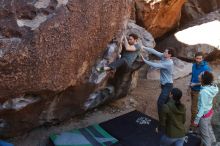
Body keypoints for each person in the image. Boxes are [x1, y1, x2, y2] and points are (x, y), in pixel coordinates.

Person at [141, 47, 174, 119]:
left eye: (166, 52)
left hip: (168, 85)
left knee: (160, 102)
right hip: (164, 84)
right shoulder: (164, 56)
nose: (164, 53)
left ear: (169, 55)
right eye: (164, 51)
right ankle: (171, 114)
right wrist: (143, 47)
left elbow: (155, 65)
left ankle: (162, 120)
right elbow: (154, 51)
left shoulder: (169, 63)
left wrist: (144, 60)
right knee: (167, 100)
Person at [191, 71, 219, 146]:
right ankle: (214, 142)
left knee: (205, 135)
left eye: (200, 75)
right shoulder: (212, 87)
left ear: (203, 80)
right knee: (209, 128)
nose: (199, 75)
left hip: (204, 115)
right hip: (209, 111)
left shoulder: (203, 92)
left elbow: (202, 108)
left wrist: (196, 121)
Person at [189, 52, 211, 127]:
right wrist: (190, 85)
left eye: (200, 58)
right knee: (196, 107)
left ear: (202, 59)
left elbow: (207, 81)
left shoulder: (205, 68)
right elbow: (193, 76)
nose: (198, 60)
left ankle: (193, 126)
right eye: (197, 58)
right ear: (195, 58)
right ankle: (198, 123)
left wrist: (195, 84)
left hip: (199, 90)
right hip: (192, 88)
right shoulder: (194, 65)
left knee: (193, 109)